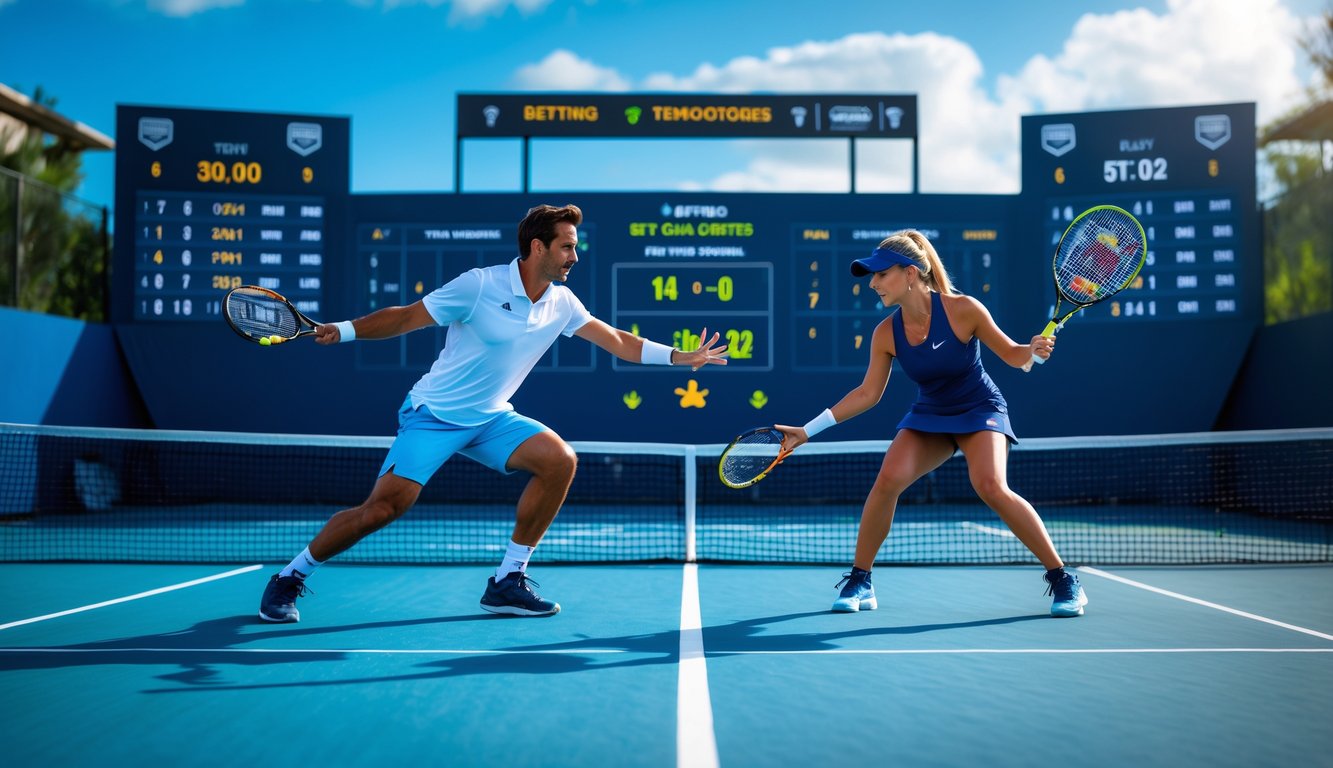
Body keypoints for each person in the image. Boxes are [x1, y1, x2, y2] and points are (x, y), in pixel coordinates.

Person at [259, 203, 729, 622]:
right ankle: (289, 577)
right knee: (383, 508)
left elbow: (618, 342)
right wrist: (341, 330)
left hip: (490, 419)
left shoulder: (561, 302)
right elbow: (406, 316)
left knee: (559, 461)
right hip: (434, 414)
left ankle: (508, 581)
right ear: (537, 246)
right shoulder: (479, 285)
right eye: (567, 247)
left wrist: (680, 357)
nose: (575, 256)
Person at [774, 230, 1087, 618]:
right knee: (887, 479)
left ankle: (1062, 578)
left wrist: (1032, 349)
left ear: (909, 273)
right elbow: (867, 394)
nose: (873, 284)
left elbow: (1013, 355)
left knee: (990, 484)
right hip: (931, 414)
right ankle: (860, 579)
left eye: (880, 275)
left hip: (980, 408)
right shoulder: (885, 333)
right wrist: (806, 431)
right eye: (871, 276)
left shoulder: (963, 310)